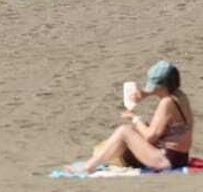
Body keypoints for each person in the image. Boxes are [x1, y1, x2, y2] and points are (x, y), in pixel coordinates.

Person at [65, 61, 193, 174]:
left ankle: (88, 167)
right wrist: (144, 94)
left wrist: (135, 118)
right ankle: (100, 158)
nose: (153, 90)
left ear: (164, 86)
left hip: (166, 161)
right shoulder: (179, 96)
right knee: (133, 132)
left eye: (155, 87)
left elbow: (150, 136)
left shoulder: (166, 103)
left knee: (124, 131)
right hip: (180, 158)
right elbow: (160, 130)